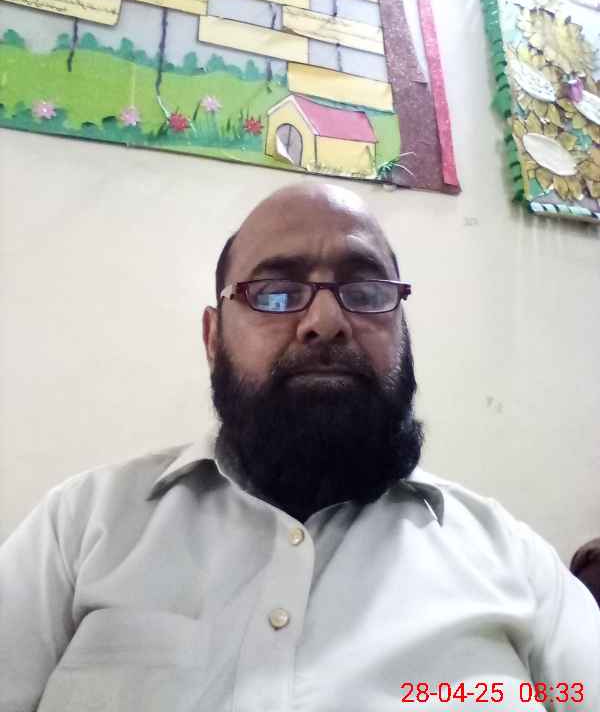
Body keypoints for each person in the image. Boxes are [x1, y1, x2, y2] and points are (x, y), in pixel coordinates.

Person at [1, 182, 598, 711]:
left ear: (403, 330)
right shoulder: (80, 526)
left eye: (365, 291)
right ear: (212, 338)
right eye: (275, 292)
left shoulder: (514, 564)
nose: (325, 321)